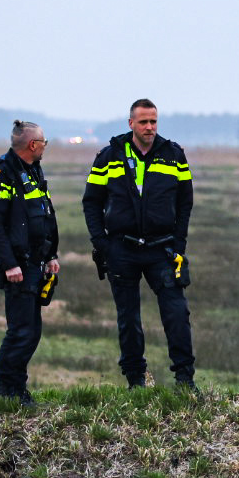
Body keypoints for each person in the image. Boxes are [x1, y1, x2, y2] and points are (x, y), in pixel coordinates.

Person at [82, 98, 196, 389]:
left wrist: (179, 244)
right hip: (123, 249)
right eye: (143, 121)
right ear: (130, 123)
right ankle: (135, 381)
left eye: (153, 121)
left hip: (163, 249)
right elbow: (92, 202)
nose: (149, 127)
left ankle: (185, 379)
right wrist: (102, 243)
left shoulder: (174, 155)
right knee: (128, 318)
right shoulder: (109, 156)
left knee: (176, 314)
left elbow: (185, 203)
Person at [0, 120, 60, 405]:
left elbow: (43, 215)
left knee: (32, 332)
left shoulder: (32, 170)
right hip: (17, 268)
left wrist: (51, 255)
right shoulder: (1, 175)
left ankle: (17, 389)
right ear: (33, 144)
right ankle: (6, 390)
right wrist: (9, 263)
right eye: (44, 143)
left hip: (36, 264)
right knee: (21, 331)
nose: (45, 147)